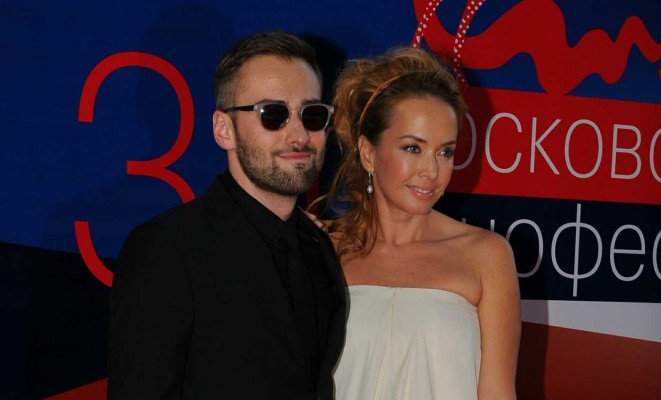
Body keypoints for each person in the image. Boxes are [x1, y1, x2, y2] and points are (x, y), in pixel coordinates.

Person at [107, 30, 346, 400]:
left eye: (312, 114)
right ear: (224, 130)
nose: (299, 135)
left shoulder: (317, 247)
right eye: (273, 114)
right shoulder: (168, 250)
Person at [314, 47, 521, 399]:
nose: (432, 171)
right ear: (368, 153)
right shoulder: (322, 250)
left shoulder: (486, 255)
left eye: (445, 152)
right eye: (413, 148)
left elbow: (497, 393)